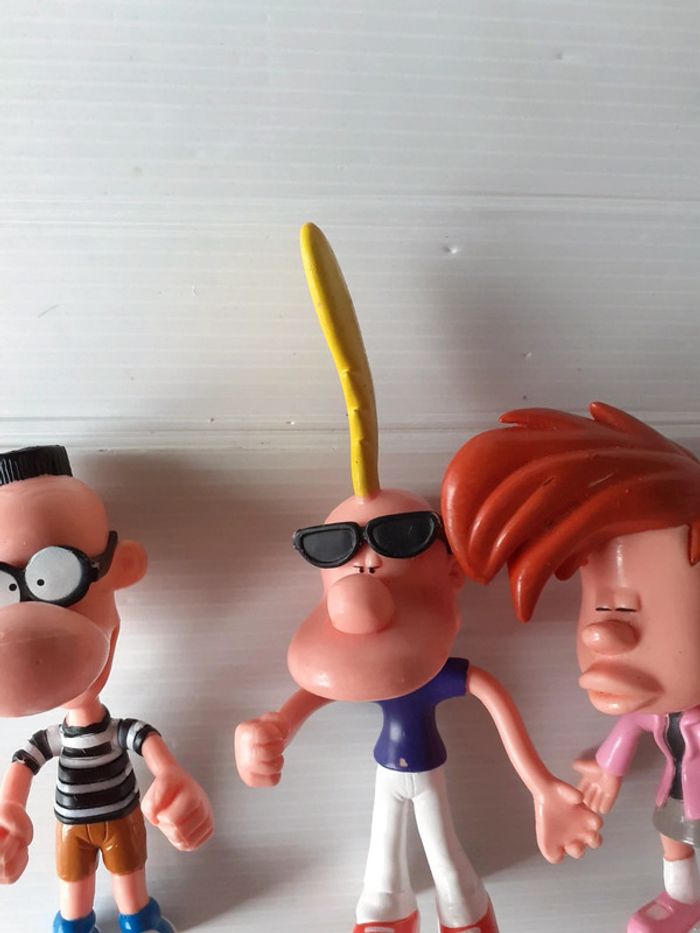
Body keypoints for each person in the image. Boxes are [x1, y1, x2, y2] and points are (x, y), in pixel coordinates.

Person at [235, 225, 601, 933]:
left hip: (424, 773)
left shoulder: (443, 672)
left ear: (451, 569)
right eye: (337, 549)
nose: (365, 567)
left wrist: (543, 788)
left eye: (396, 541)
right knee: (384, 867)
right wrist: (272, 727)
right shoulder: (355, 664)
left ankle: (459, 911)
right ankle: (389, 912)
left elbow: (501, 712)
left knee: (447, 859)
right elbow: (311, 693)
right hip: (391, 773)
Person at [442, 401, 700, 933]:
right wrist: (608, 767)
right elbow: (633, 724)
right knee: (673, 837)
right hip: (679, 794)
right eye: (601, 606)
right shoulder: (659, 711)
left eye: (631, 609)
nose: (601, 635)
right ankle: (683, 897)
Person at [0, 445, 213, 933]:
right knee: (74, 888)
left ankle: (140, 921)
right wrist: (9, 811)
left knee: (129, 878)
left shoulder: (119, 729)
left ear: (122, 568)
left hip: (122, 816)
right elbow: (23, 765)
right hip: (71, 824)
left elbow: (148, 744)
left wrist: (172, 776)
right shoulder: (50, 738)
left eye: (57, 578)